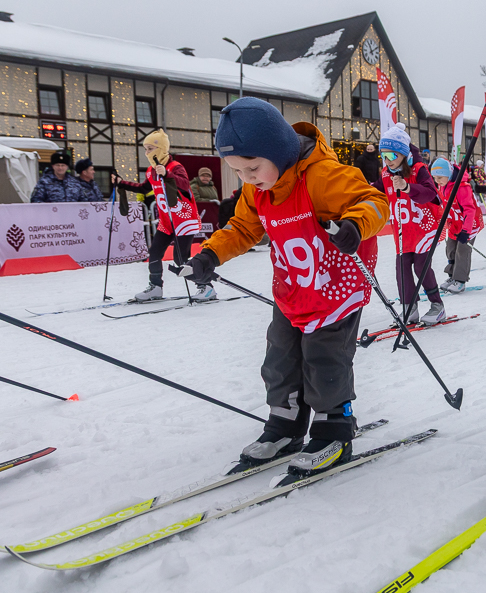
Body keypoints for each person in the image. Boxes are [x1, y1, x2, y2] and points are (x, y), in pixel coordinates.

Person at [179, 97, 388, 474]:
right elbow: (243, 228)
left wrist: (355, 226)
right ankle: (285, 424)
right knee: (280, 359)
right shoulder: (257, 190)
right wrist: (209, 256)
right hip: (293, 287)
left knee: (325, 359)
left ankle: (334, 429)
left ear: (278, 150)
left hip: (335, 288)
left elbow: (373, 201)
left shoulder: (322, 176)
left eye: (253, 167)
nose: (247, 177)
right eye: (237, 171)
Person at [112, 129, 214, 302]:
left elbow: (184, 185)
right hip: (167, 221)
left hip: (184, 219)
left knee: (180, 259)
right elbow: (144, 189)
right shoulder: (151, 171)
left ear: (161, 149)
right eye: (145, 149)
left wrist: (167, 174)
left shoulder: (176, 167)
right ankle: (156, 288)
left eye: (150, 148)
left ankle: (206, 287)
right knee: (155, 252)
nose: (147, 153)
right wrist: (122, 183)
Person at [371, 124, 447, 326]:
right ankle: (409, 308)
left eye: (391, 155)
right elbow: (375, 191)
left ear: (403, 154)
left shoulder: (418, 169)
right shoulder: (386, 174)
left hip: (424, 228)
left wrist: (406, 187)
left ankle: (437, 306)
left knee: (421, 266)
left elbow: (430, 193)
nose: (387, 160)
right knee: (402, 269)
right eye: (383, 155)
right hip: (403, 231)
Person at [430, 157, 483, 294]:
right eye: (435, 178)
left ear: (448, 174)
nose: (437, 181)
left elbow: (469, 210)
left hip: (468, 224)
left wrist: (466, 231)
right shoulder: (443, 185)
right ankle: (452, 276)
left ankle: (460, 280)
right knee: (450, 249)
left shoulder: (462, 187)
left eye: (440, 177)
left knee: (462, 250)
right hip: (454, 224)